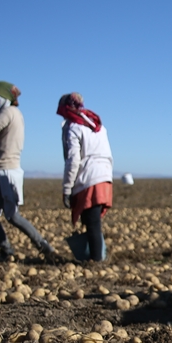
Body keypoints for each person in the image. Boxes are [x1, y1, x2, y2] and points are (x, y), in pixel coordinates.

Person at [0, 81, 57, 262]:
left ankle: (34, 248)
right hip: (6, 170)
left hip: (4, 170)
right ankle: (22, 249)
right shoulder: (15, 114)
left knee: (2, 215)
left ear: (5, 97)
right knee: (4, 215)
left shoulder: (7, 113)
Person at [58, 93, 114, 263]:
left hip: (90, 177)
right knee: (92, 219)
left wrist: (67, 188)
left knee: (92, 221)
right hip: (104, 174)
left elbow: (73, 160)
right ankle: (96, 256)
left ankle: (97, 260)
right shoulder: (97, 125)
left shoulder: (74, 127)